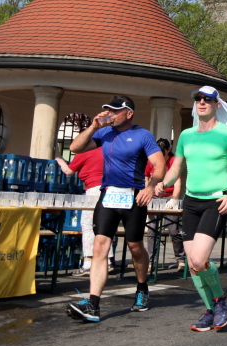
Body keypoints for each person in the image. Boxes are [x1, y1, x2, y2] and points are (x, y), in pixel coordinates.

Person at [157, 86, 227, 331]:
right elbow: (176, 168)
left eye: (207, 99)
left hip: (216, 202)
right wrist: (163, 184)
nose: (201, 102)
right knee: (193, 266)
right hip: (191, 202)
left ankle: (221, 299)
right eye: (198, 99)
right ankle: (210, 310)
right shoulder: (186, 135)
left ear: (216, 105)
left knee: (199, 260)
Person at [66, 95, 165, 323]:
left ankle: (142, 287)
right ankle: (93, 304)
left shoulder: (142, 135)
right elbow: (75, 148)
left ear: (129, 113)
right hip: (108, 194)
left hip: (133, 196)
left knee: (135, 247)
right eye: (109, 110)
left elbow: (159, 165)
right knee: (100, 245)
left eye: (116, 110)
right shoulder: (104, 133)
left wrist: (150, 188)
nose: (111, 114)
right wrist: (93, 127)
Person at [56, 148, 114, 276]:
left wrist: (59, 160)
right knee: (105, 226)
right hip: (111, 190)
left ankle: (88, 262)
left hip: (94, 190)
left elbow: (68, 171)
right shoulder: (109, 149)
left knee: (88, 225)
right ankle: (107, 261)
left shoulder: (85, 151)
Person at [145, 138, 185, 272]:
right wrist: (148, 192)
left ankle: (180, 260)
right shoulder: (152, 161)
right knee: (152, 229)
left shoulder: (173, 162)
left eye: (164, 153)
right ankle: (151, 261)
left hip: (169, 197)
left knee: (174, 229)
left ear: (169, 150)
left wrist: (174, 199)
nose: (161, 156)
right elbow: (147, 178)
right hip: (155, 198)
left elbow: (178, 184)